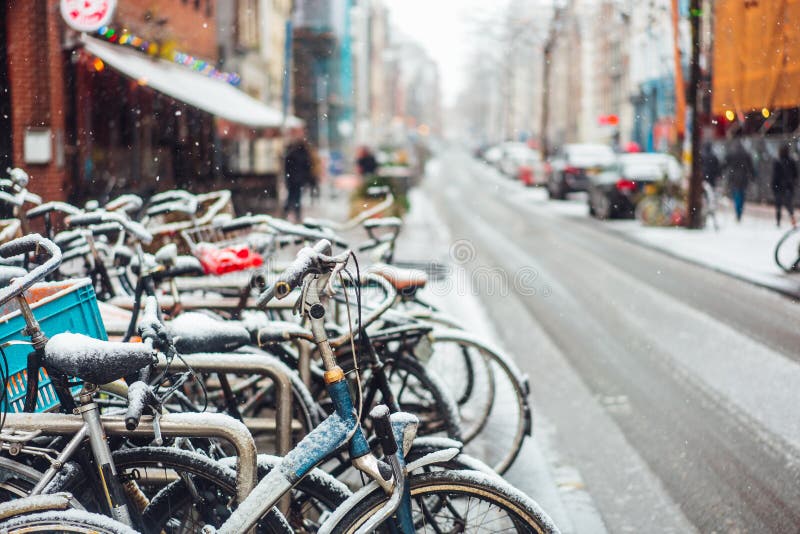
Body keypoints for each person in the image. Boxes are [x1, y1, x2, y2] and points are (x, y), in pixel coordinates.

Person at [283, 135, 314, 222]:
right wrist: (307, 178)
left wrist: (288, 178)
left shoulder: (291, 153)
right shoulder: (303, 154)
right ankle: (296, 214)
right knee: (296, 197)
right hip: (298, 179)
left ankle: (288, 211)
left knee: (292, 196)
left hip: (293, 179)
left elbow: (287, 167)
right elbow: (307, 167)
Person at [724, 140, 756, 222]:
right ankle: (740, 211)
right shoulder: (746, 154)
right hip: (743, 177)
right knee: (742, 195)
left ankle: (738, 211)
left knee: (736, 194)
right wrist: (753, 176)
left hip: (734, 177)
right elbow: (751, 166)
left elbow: (725, 164)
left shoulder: (732, 154)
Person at [771, 145, 798, 227]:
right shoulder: (791, 161)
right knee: (789, 204)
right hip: (789, 186)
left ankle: (778, 221)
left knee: (778, 205)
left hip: (779, 186)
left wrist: (773, 185)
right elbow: (795, 174)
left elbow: (775, 175)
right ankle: (793, 220)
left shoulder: (777, 161)